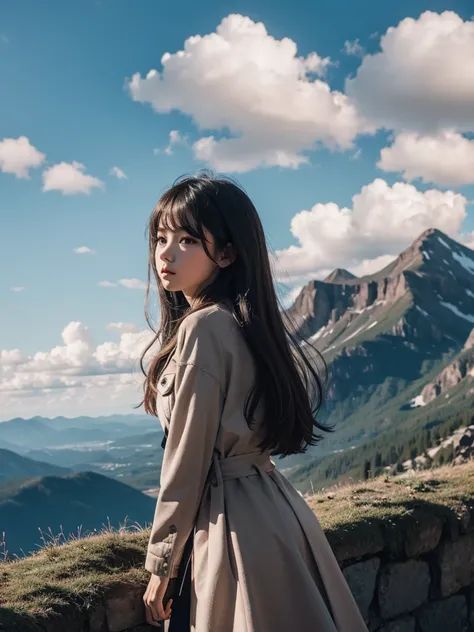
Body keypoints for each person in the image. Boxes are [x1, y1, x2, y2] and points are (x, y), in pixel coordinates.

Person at [139, 171, 368, 631]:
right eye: (161, 237)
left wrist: (160, 565)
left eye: (186, 240)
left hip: (231, 526)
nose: (166, 253)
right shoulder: (242, 322)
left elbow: (187, 459)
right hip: (276, 511)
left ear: (226, 253)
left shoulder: (202, 328)